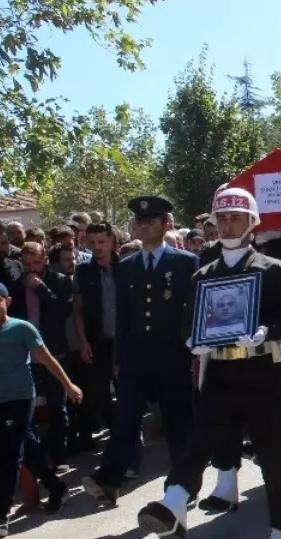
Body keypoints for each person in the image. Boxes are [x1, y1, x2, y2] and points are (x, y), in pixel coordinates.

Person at [137, 188, 281, 539]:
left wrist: (268, 331)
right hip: (221, 373)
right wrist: (191, 340)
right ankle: (173, 504)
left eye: (237, 217)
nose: (229, 224)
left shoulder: (275, 270)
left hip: (264, 373)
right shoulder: (203, 275)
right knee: (199, 444)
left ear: (253, 222)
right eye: (223, 218)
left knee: (273, 458)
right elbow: (187, 322)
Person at [82, 196, 199, 506]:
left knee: (178, 420)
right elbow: (122, 316)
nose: (144, 226)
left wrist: (196, 354)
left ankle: (184, 484)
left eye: (151, 221)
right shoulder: (127, 266)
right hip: (136, 354)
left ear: (166, 225)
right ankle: (109, 479)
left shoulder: (185, 263)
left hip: (173, 353)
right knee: (126, 416)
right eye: (140, 221)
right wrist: (119, 357)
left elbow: (194, 313)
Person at [0, 281, 82, 537]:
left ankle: (0, 515)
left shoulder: (21, 328)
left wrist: (68, 386)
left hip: (21, 398)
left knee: (8, 456)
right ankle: (56, 488)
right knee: (30, 451)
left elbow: (46, 358)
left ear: (8, 302)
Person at [9, 241, 74, 465]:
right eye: (27, 263)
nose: (32, 268)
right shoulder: (16, 286)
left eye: (36, 262)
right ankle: (35, 456)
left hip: (54, 352)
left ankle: (59, 454)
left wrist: (41, 289)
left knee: (58, 405)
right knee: (30, 407)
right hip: (26, 355)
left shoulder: (59, 281)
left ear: (45, 259)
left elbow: (63, 311)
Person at [72, 222, 119, 453]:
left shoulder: (127, 267)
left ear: (112, 240)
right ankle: (116, 432)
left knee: (127, 390)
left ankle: (128, 434)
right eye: (93, 243)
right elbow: (78, 309)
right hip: (96, 340)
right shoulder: (82, 271)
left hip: (123, 341)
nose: (98, 247)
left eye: (102, 241)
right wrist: (82, 341)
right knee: (100, 391)